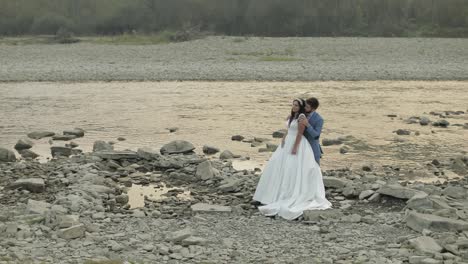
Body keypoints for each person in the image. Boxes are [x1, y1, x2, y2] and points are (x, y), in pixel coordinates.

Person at [253, 98, 331, 220]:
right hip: (291, 143)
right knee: (281, 168)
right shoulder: (296, 115)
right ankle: (272, 195)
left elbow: (315, 135)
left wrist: (306, 125)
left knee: (309, 171)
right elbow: (290, 129)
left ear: (313, 108)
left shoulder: (316, 119)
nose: (305, 108)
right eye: (304, 106)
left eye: (307, 107)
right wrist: (284, 137)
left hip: (307, 147)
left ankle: (307, 193)